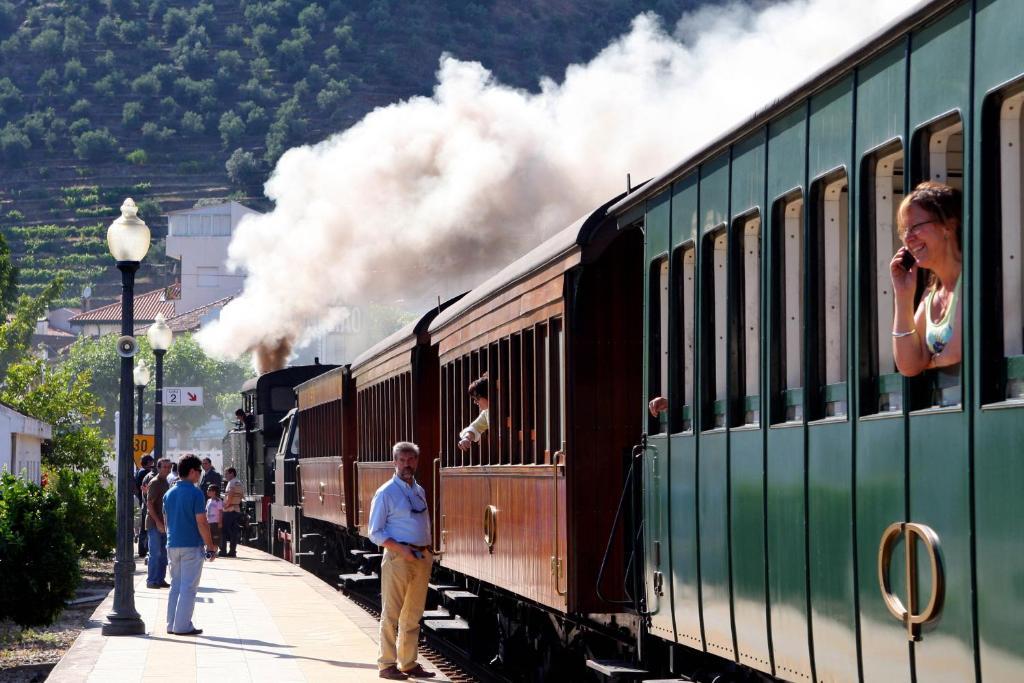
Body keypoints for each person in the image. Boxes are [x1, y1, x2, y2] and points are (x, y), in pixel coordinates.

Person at [368, 442, 436, 680]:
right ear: (394, 462)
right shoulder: (386, 492)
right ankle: (386, 664)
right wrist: (402, 549)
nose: (407, 464)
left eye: (411, 460)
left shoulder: (419, 490)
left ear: (416, 462)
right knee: (392, 614)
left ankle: (407, 662)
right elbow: (374, 532)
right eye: (403, 460)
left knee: (413, 614)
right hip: (398, 557)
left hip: (422, 556)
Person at [890, 181, 963, 377]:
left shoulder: (972, 281)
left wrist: (930, 362)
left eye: (915, 227)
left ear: (948, 225)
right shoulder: (930, 295)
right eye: (904, 230)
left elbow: (956, 354)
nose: (908, 238)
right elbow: (908, 366)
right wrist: (903, 296)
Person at [163, 454, 218, 636]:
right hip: (191, 545)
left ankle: (171, 624)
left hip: (172, 544)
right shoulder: (195, 493)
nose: (200, 474)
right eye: (199, 471)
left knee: (175, 585)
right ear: (193, 471)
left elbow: (166, 521)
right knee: (189, 587)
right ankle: (183, 625)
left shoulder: (169, 493)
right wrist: (210, 546)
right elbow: (202, 522)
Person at [144, 458, 172, 589]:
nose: (167, 469)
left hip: (163, 523)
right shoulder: (155, 482)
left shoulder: (165, 482)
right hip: (154, 523)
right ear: (159, 468)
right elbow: (149, 504)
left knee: (163, 553)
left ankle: (160, 579)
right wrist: (158, 522)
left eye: (169, 467)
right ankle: (152, 580)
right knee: (155, 553)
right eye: (164, 467)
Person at [457, 375, 489, 452]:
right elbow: (475, 427)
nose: (475, 402)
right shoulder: (487, 412)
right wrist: (466, 438)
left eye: (477, 398)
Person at [134, 455, 155, 558]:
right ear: (148, 462)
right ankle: (144, 549)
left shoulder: (139, 471)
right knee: (145, 527)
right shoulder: (145, 473)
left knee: (143, 527)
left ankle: (142, 550)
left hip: (140, 501)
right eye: (151, 462)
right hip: (144, 501)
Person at [221, 467, 243, 557]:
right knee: (234, 532)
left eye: (226, 473)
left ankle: (223, 551)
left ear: (232, 473)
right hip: (236, 509)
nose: (225, 475)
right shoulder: (239, 482)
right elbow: (241, 495)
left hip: (229, 510)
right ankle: (232, 551)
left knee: (224, 531)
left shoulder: (232, 482)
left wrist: (226, 504)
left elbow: (231, 492)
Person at [206, 485, 223, 551]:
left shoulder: (218, 501)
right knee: (208, 538)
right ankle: (208, 552)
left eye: (209, 490)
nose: (207, 491)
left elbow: (221, 512)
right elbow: (206, 511)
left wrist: (220, 522)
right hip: (208, 522)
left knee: (215, 539)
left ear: (214, 492)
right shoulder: (208, 501)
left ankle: (214, 552)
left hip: (215, 522)